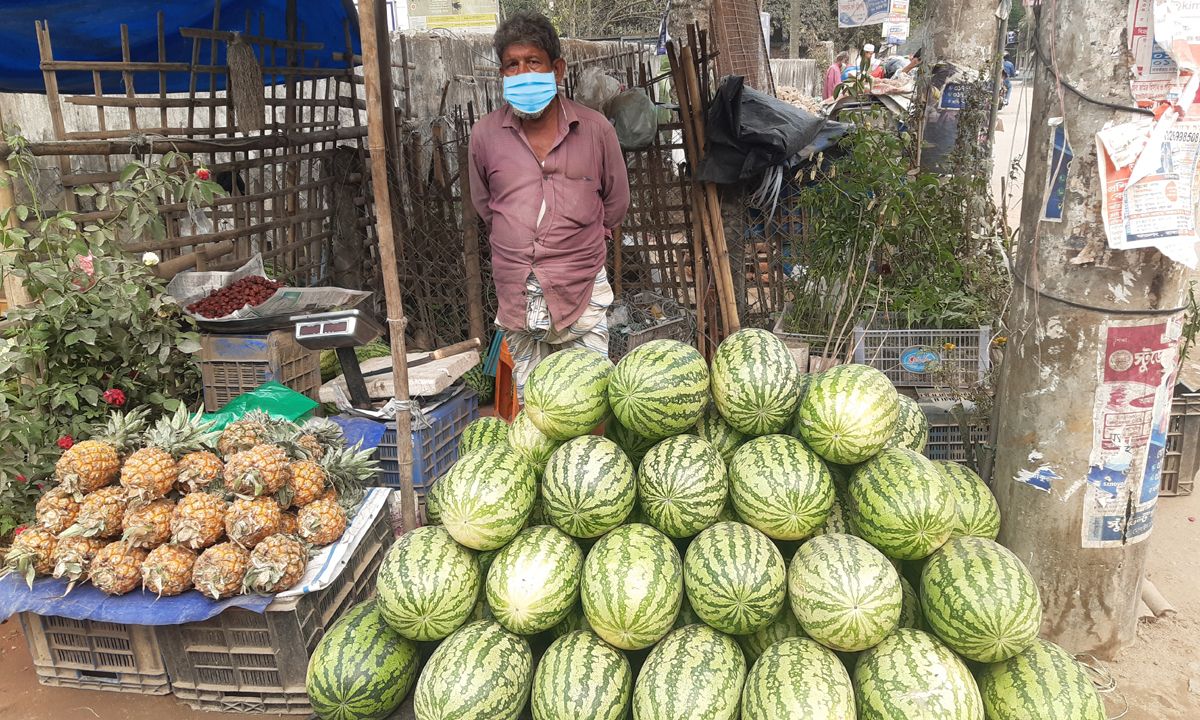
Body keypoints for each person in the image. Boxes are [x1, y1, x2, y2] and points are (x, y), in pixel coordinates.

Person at [467, 13, 630, 400]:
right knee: (536, 405)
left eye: (533, 61)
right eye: (512, 64)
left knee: (588, 401)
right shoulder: (485, 135)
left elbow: (616, 202)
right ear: (502, 74)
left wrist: (577, 239)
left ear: (557, 69)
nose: (522, 73)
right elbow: (486, 206)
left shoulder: (596, 130)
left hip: (581, 285)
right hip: (517, 291)